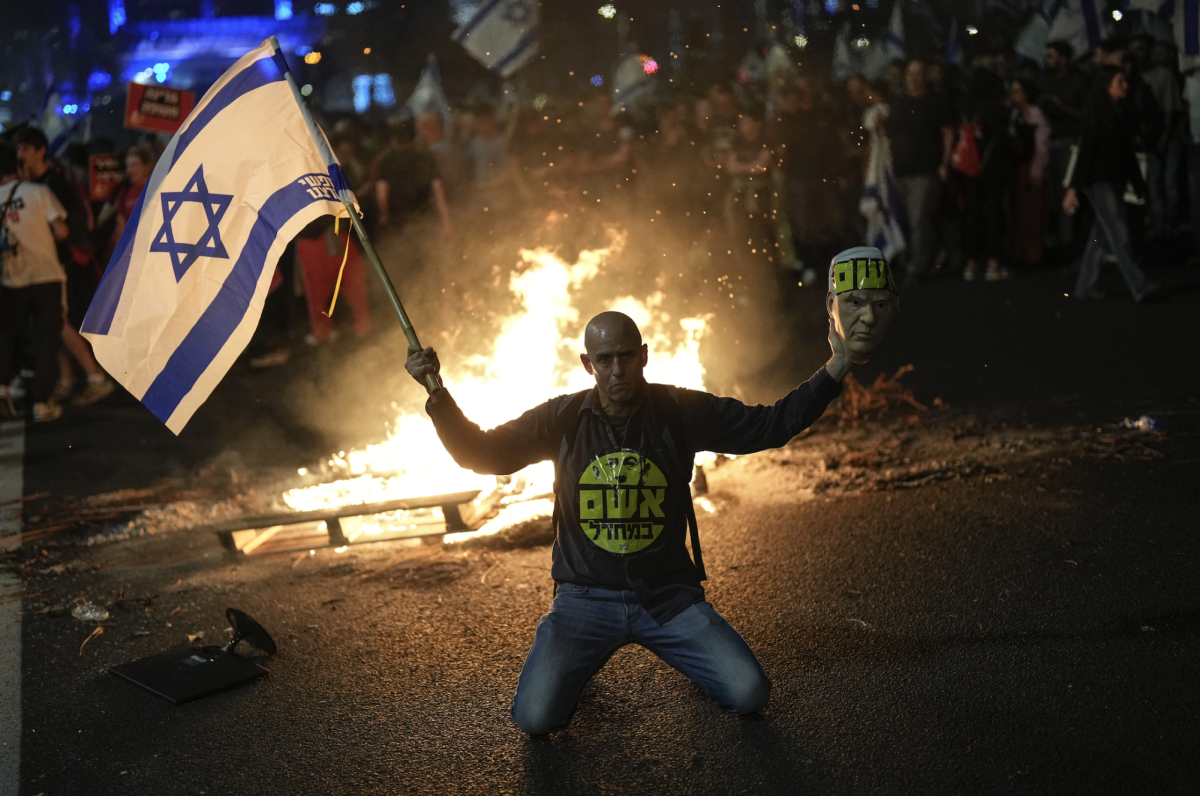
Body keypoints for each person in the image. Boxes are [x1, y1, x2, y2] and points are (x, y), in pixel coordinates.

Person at [402, 246, 900, 735]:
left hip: (667, 597)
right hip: (583, 598)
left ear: (643, 355)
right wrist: (437, 395)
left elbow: (767, 427)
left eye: (625, 357)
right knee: (534, 718)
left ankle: (684, 663)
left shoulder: (679, 411)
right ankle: (576, 660)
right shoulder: (562, 417)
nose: (617, 371)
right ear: (586, 364)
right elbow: (483, 455)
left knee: (750, 693)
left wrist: (837, 367)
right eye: (604, 360)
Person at [13, 127, 115, 408]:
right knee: (47, 326)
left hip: (59, 264)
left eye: (24, 149)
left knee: (59, 323)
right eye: (18, 149)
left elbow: (65, 228)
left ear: (40, 151)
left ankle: (96, 378)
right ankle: (66, 379)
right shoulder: (36, 183)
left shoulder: (53, 184)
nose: (19, 154)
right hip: (42, 265)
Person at [1063, 67, 1162, 303]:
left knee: (1101, 236)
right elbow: (1086, 155)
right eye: (1119, 82)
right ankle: (1139, 285)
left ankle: (1085, 287)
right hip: (1100, 181)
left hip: (1114, 180)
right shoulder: (1097, 118)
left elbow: (1128, 155)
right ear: (1106, 86)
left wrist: (1138, 185)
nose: (1125, 86)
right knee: (1118, 233)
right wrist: (1074, 188)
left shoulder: (1121, 115)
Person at [0, 143, 69, 422]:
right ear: (19, 165)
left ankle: (3, 389)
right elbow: (61, 230)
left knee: (6, 337)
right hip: (45, 275)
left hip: (10, 277)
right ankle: (42, 402)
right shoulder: (39, 192)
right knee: (46, 338)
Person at [888, 59, 954, 285]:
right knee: (909, 218)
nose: (913, 78)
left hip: (925, 169)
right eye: (910, 73)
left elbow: (947, 133)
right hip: (902, 169)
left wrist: (944, 163)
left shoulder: (935, 101)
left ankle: (918, 265)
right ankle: (926, 257)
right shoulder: (899, 102)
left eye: (918, 73)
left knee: (918, 217)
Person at [1039, 41, 1089, 256]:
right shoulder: (1046, 82)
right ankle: (1059, 239)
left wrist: (1061, 106)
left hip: (1070, 140)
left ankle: (1069, 242)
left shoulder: (1078, 82)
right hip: (1049, 140)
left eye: (1051, 56)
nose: (1047, 60)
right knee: (1053, 193)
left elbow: (1085, 115)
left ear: (1064, 59)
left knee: (1068, 191)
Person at [1007, 78, 1052, 269]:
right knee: (1017, 212)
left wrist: (1037, 170)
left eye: (1018, 91)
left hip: (1030, 167)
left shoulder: (1035, 114)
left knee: (1032, 213)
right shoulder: (1014, 114)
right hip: (1016, 168)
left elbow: (1041, 145)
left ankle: (1034, 253)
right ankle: (1019, 251)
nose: (1014, 95)